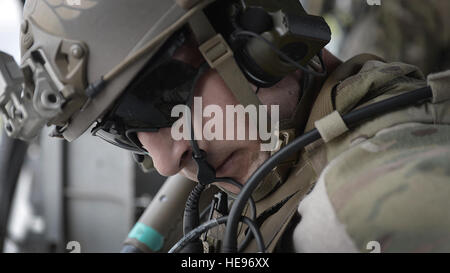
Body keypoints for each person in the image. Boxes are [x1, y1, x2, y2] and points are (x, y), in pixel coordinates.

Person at [1, 0, 449, 253]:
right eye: (123, 129)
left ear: (259, 35)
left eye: (157, 97)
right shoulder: (252, 187)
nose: (163, 161)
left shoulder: (365, 206)